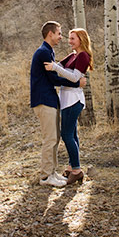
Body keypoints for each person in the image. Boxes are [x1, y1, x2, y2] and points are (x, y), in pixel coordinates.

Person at [30, 21, 85, 187]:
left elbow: (56, 73)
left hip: (50, 100)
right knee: (50, 139)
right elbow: (53, 78)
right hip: (43, 100)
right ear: (50, 34)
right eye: (59, 34)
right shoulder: (43, 52)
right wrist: (77, 84)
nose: (61, 37)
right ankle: (46, 176)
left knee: (54, 138)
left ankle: (52, 172)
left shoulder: (49, 51)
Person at [44, 28, 93, 185]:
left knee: (66, 135)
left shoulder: (83, 56)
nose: (69, 41)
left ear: (81, 40)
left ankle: (77, 170)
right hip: (66, 99)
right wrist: (52, 67)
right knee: (72, 134)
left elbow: (74, 78)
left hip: (73, 100)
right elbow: (57, 65)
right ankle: (73, 167)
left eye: (73, 38)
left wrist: (56, 68)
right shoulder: (73, 55)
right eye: (69, 38)